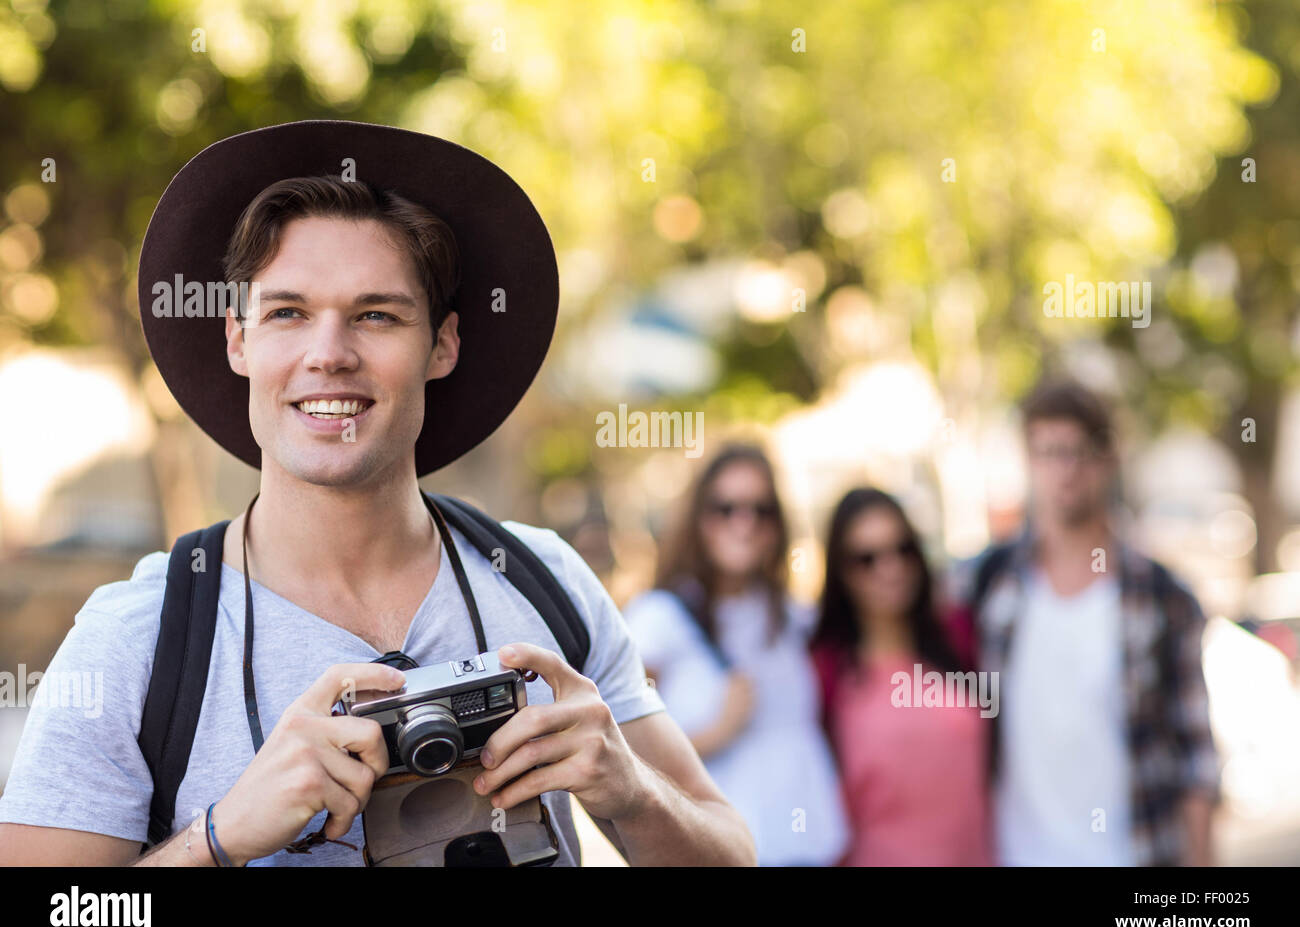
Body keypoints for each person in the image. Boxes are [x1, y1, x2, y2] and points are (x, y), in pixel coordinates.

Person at [0, 120, 755, 867]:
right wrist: (221, 836)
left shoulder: (544, 582)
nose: (329, 354)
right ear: (238, 340)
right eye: (288, 313)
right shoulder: (141, 637)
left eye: (376, 315)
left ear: (443, 344)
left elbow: (730, 857)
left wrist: (631, 791)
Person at [946, 379, 1219, 867]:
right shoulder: (985, 584)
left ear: (1106, 460)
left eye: (1078, 452)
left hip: (1136, 856)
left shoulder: (1162, 596)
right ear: (1029, 462)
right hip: (1015, 855)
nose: (1065, 471)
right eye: (1049, 453)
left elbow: (1196, 758)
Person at [622, 444, 849, 866]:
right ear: (699, 519)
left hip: (811, 849)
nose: (743, 524)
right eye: (725, 508)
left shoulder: (793, 618)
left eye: (760, 510)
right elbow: (626, 758)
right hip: (726, 853)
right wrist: (717, 731)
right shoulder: (659, 617)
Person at [809, 487, 992, 866]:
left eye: (902, 549)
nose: (890, 569)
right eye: (867, 559)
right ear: (841, 572)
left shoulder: (959, 636)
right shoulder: (825, 670)